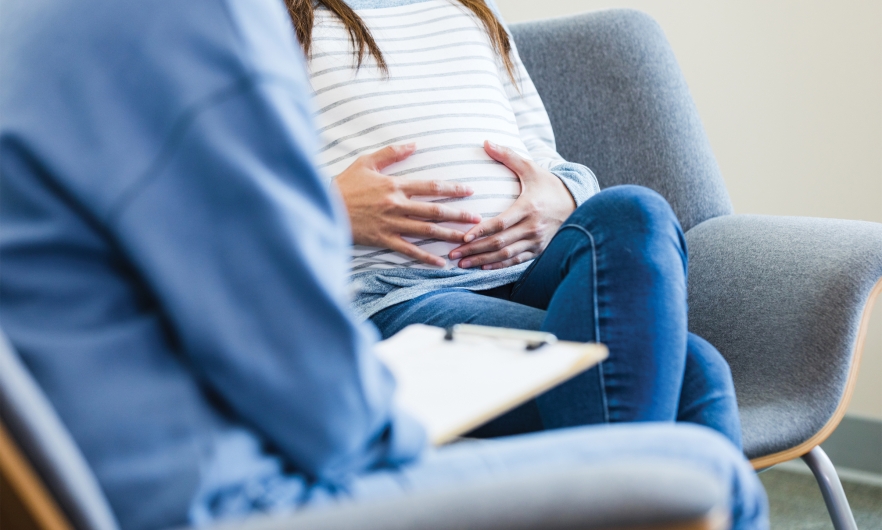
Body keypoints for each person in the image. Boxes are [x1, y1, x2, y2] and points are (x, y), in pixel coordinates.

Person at [0, 1, 767, 529]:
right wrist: (410, 409)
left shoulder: (43, 31)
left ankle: (621, 486)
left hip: (172, 464)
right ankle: (625, 496)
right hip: (273, 461)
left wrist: (554, 200)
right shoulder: (222, 26)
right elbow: (330, 417)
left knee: (647, 249)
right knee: (706, 453)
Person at [291, 0, 743, 443]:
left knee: (635, 212)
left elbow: (547, 156)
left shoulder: (471, 10)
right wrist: (328, 205)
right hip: (399, 298)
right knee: (697, 374)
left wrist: (560, 197)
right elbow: (228, 204)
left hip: (532, 273)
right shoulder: (265, 18)